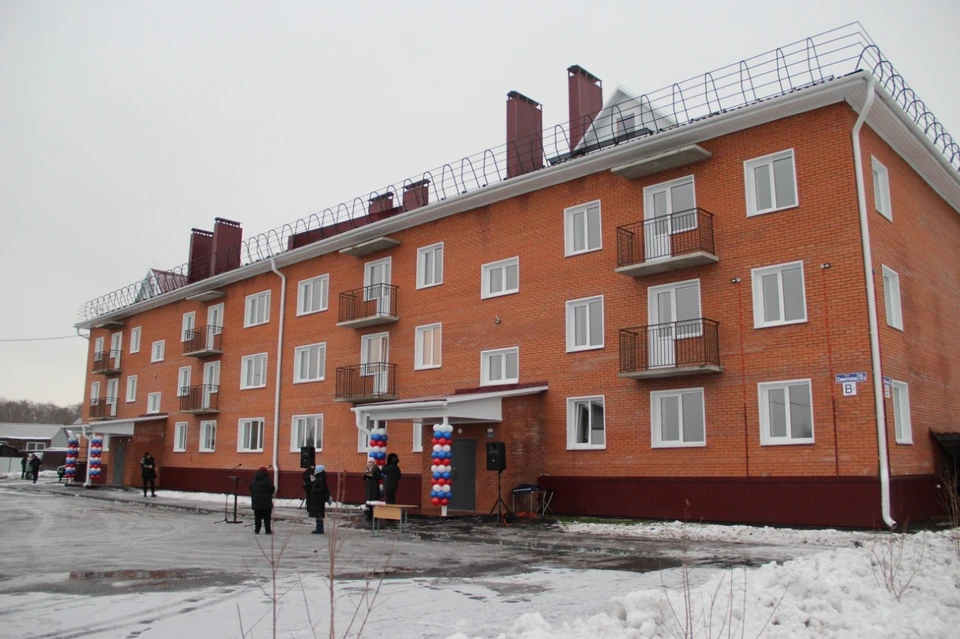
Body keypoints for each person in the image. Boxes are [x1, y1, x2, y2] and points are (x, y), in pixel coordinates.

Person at [248, 466, 275, 535]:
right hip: (266, 502)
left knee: (257, 516)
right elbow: (272, 490)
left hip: (256, 502)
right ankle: (267, 530)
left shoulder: (254, 479)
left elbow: (250, 488)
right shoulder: (267, 479)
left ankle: (257, 530)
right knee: (267, 517)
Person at [306, 465, 330, 534]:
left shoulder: (320, 479)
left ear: (319, 471)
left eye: (316, 470)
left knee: (319, 514)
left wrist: (314, 490)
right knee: (318, 514)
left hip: (318, 500)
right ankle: (318, 528)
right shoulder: (319, 477)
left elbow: (321, 489)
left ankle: (319, 529)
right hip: (318, 499)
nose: (315, 471)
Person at [362, 458, 382, 523]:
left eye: (371, 462)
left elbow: (379, 477)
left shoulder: (376, 468)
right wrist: (365, 475)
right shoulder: (367, 469)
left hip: (374, 487)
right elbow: (364, 477)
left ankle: (375, 516)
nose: (369, 463)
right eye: (369, 462)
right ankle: (370, 515)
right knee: (369, 501)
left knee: (374, 501)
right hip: (369, 487)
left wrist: (371, 476)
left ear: (373, 463)